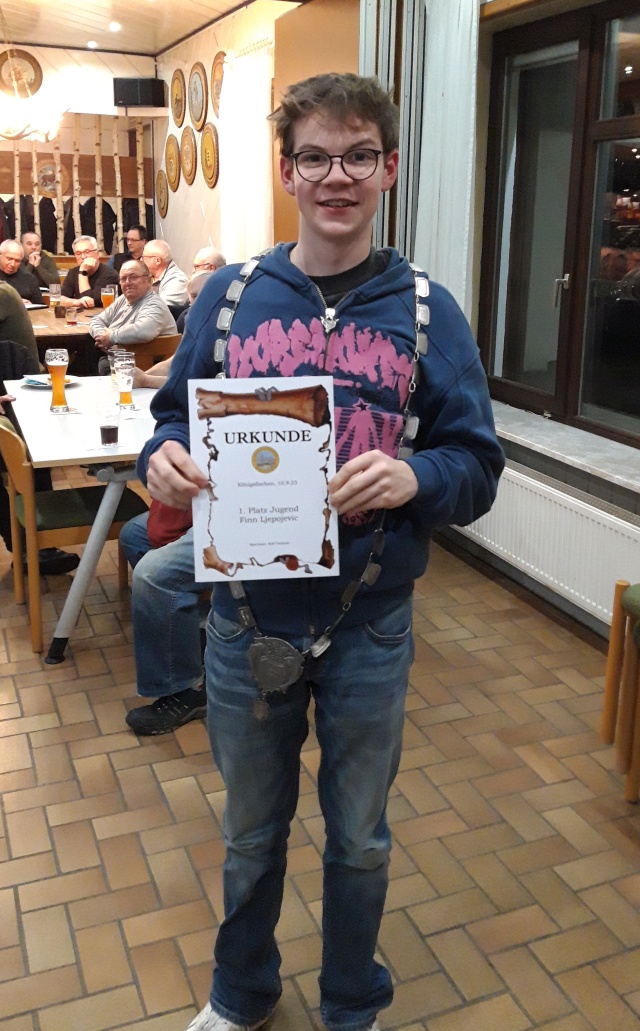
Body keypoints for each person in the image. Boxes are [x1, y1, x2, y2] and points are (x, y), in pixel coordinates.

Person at [139, 72, 504, 1031]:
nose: (336, 176)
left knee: (361, 840)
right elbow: (171, 418)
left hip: (368, 626)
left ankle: (350, 1001)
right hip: (245, 622)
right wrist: (162, 458)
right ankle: (241, 993)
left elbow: (477, 464)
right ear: (288, 170)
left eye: (357, 156)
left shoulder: (427, 311)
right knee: (250, 833)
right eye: (315, 156)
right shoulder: (229, 298)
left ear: (389, 168)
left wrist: (418, 478)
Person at [89, 259, 176, 368]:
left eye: (133, 277)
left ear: (148, 280)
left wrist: (111, 336)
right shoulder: (123, 299)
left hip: (145, 369)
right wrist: (101, 336)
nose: (128, 283)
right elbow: (97, 320)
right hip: (120, 360)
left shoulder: (154, 304)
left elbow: (143, 330)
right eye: (123, 279)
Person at [60, 235, 119, 309]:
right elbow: (60, 298)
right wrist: (77, 302)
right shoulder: (73, 272)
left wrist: (83, 272)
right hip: (81, 315)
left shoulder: (110, 274)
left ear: (97, 254)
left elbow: (89, 301)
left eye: (86, 252)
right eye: (78, 253)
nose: (83, 257)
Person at [141, 239, 189, 310]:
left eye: (144, 257)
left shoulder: (177, 281)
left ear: (157, 260)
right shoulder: (149, 277)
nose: (141, 260)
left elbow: (159, 310)